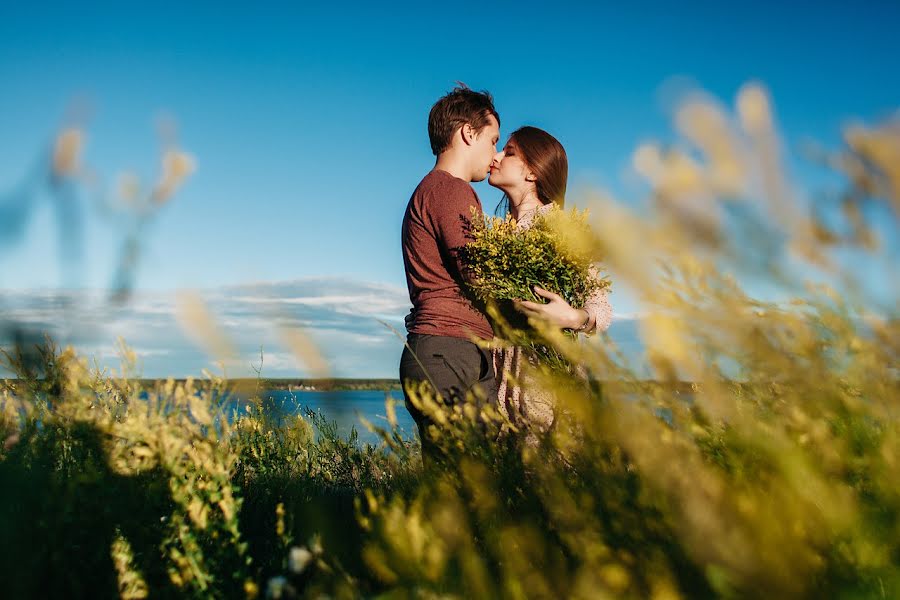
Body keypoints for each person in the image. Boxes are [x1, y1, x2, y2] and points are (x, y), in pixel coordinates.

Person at [487, 126, 612, 435]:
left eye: (510, 152)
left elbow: (601, 305)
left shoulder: (563, 227)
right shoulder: (495, 234)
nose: (496, 155)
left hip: (548, 379)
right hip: (495, 381)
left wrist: (573, 317)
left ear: (532, 173)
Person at [399, 85, 501, 460]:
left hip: (448, 350)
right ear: (468, 133)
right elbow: (479, 273)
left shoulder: (430, 190)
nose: (495, 155)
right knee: (466, 490)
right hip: (448, 351)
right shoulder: (451, 190)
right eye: (492, 140)